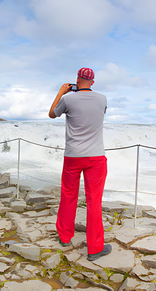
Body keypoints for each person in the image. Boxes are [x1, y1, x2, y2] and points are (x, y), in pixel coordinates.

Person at [48, 67, 111, 261]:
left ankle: (65, 237)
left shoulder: (68, 99)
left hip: (73, 156)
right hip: (96, 158)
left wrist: (61, 92)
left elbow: (52, 114)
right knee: (94, 201)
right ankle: (94, 249)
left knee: (68, 195)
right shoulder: (102, 99)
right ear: (93, 82)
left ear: (77, 79)